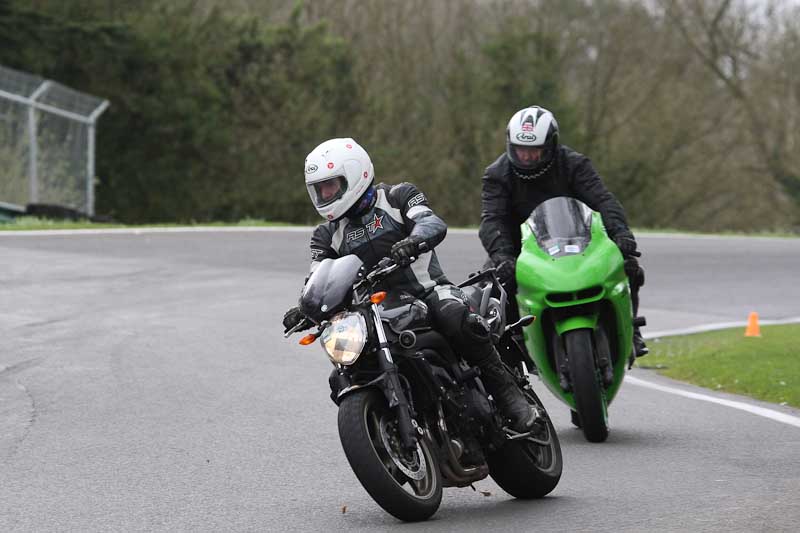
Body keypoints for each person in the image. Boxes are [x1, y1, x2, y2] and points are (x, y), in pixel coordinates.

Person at [282, 137, 537, 431]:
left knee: (454, 318)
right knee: (345, 366)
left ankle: (508, 394)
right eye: (319, 189)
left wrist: (413, 240)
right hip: (376, 312)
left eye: (330, 186)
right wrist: (305, 306)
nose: (325, 194)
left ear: (354, 174)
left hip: (429, 291)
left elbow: (431, 222)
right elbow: (318, 275)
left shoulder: (398, 197)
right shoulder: (326, 236)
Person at [479, 106, 648, 358]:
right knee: (492, 286)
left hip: (576, 240)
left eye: (534, 152)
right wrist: (502, 255)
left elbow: (603, 200)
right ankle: (511, 344)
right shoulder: (497, 174)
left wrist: (621, 234)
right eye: (521, 151)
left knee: (628, 266)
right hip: (519, 249)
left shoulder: (574, 164)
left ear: (551, 145)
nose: (526, 158)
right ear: (510, 146)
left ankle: (630, 329)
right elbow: (492, 219)